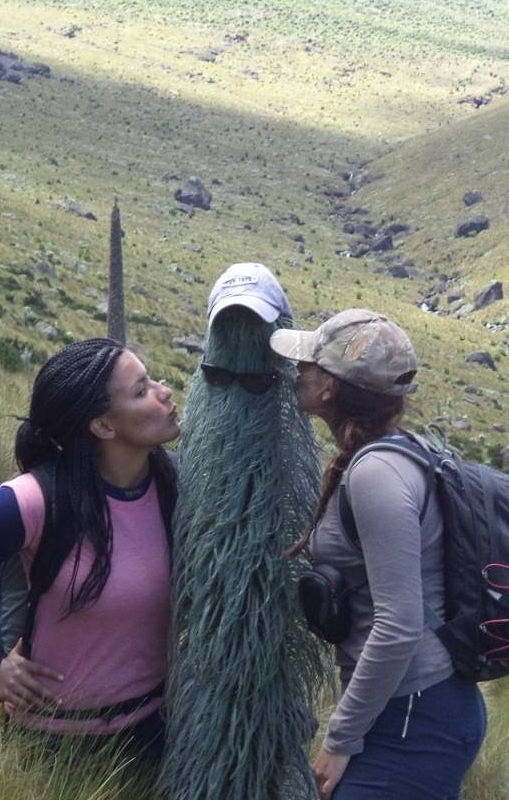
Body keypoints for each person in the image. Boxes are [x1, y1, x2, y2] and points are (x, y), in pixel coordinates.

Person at [270, 309, 487, 800]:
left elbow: (398, 624)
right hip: (418, 706)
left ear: (329, 388)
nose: (297, 372)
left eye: (308, 364)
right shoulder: (399, 451)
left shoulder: (375, 474)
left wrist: (341, 738)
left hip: (413, 717)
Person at [161, 263, 325, 800]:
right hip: (200, 681)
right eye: (218, 375)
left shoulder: (307, 474)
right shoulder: (180, 466)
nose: (235, 390)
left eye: (257, 379)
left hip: (269, 678)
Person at [0, 337, 179, 772]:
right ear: (102, 426)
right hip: (46, 753)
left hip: (151, 743)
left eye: (152, 379)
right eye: (141, 391)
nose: (165, 391)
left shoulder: (176, 487)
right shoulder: (32, 501)